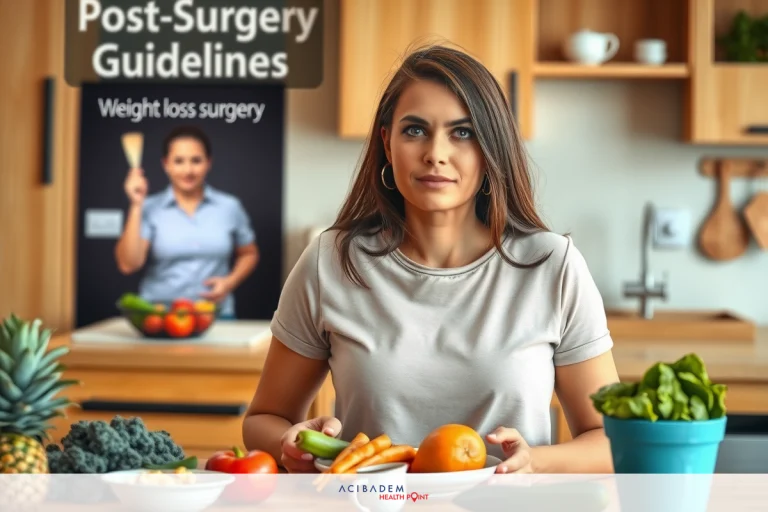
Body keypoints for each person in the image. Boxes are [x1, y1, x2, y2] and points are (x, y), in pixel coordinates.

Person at [242, 44, 619, 474]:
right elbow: (263, 420)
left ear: (489, 147)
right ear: (387, 141)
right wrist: (289, 442)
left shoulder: (553, 266)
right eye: (415, 130)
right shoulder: (331, 262)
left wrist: (536, 462)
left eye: (462, 132)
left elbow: (609, 440)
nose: (435, 153)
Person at [115, 125, 259, 319]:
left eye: (196, 161)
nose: (188, 170)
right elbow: (129, 264)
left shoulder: (229, 206)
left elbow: (249, 253)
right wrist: (136, 204)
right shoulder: (148, 208)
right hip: (159, 316)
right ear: (166, 164)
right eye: (179, 161)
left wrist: (229, 282)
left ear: (208, 163)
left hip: (215, 315)